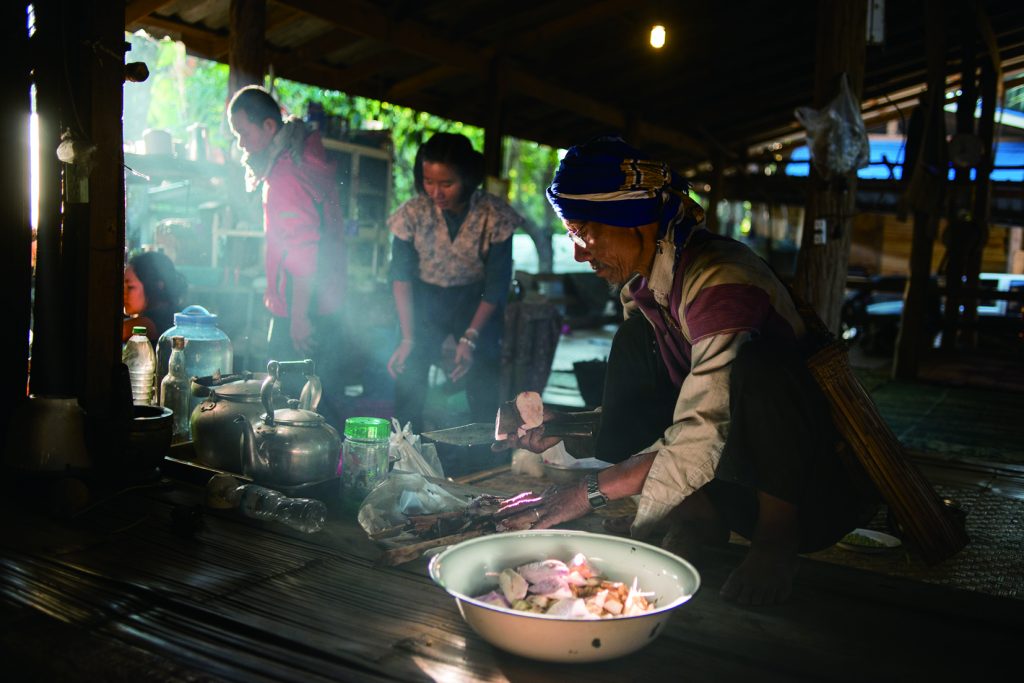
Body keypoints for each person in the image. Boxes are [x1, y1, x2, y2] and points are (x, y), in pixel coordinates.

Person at [500, 136, 876, 606]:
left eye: (583, 233)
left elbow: (706, 427)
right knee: (634, 343)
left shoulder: (721, 279)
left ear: (633, 222)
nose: (579, 253)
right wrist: (561, 426)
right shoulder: (644, 288)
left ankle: (775, 540)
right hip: (723, 485)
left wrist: (587, 492)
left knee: (761, 367)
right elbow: (662, 407)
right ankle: (697, 518)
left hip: (805, 492)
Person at [227, 85, 346, 428]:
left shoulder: (287, 172)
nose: (241, 143)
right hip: (320, 302)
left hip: (303, 306)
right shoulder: (301, 157)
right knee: (316, 402)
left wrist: (298, 316)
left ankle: (298, 475)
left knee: (290, 410)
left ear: (268, 126)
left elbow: (303, 250)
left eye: (243, 133)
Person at [386, 132, 521, 433]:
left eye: (447, 183)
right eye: (428, 181)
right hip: (422, 304)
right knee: (409, 375)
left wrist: (470, 337)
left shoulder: (495, 215)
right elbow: (401, 278)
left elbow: (497, 284)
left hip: (477, 302)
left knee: (482, 380)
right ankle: (406, 451)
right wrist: (408, 337)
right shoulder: (411, 214)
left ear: (469, 179)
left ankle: (486, 457)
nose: (436, 192)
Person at [122, 249, 188, 345]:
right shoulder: (171, 311)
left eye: (130, 287)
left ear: (155, 287)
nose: (124, 293)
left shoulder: (149, 323)